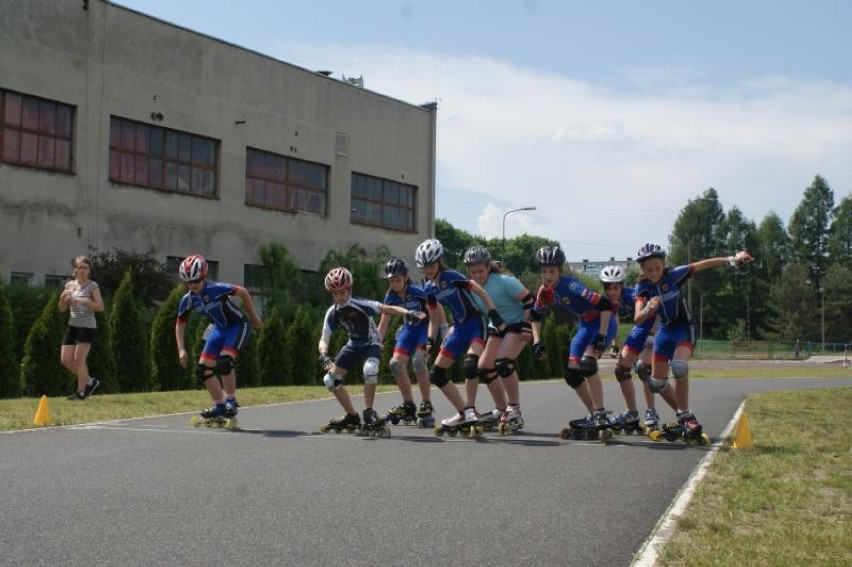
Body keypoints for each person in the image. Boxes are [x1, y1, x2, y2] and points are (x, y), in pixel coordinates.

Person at [633, 242, 753, 443]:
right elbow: (638, 318)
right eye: (649, 269)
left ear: (664, 264)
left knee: (679, 367)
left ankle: (685, 414)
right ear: (643, 270)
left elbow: (703, 264)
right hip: (665, 331)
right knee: (656, 384)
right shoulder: (642, 287)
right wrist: (648, 309)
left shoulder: (674, 275)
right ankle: (683, 416)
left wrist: (733, 259)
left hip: (684, 328)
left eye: (657, 268)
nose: (654, 272)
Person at [318, 266, 425, 435]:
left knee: (370, 370)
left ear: (349, 289)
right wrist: (324, 355)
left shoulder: (360, 304)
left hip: (371, 342)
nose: (339, 297)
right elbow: (324, 337)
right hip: (353, 344)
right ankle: (352, 416)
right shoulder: (332, 312)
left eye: (342, 292)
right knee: (330, 380)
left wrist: (407, 312)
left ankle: (368, 413)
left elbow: (386, 308)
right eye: (335, 293)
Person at [415, 238, 505, 437]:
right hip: (459, 328)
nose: (428, 270)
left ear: (439, 261)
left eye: (431, 265)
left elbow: (480, 291)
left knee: (470, 365)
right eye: (423, 267)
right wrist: (430, 341)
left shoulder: (453, 276)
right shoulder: (429, 288)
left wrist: (494, 314)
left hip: (475, 324)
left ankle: (471, 409)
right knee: (436, 374)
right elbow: (433, 319)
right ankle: (463, 412)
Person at [529, 246, 616, 441]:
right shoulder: (544, 291)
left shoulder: (570, 285)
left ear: (560, 270)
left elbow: (604, 304)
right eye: (544, 271)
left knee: (587, 364)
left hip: (602, 322)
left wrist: (602, 336)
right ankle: (594, 414)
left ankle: (600, 413)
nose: (548, 275)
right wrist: (536, 341)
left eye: (552, 271)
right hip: (584, 324)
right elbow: (535, 315)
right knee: (571, 374)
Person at [175, 254, 262, 426]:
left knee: (224, 362)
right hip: (219, 329)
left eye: (196, 281)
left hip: (237, 325)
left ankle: (231, 401)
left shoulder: (216, 288)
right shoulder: (188, 300)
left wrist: (253, 317)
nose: (193, 286)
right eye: (189, 283)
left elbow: (243, 292)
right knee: (202, 369)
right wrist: (181, 349)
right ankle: (219, 406)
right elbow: (180, 325)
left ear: (204, 277)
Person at [462, 245, 535, 434]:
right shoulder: (470, 288)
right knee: (484, 369)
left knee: (503, 362)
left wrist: (528, 326)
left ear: (488, 267)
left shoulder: (504, 281)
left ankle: (514, 409)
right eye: (473, 271)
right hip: (498, 328)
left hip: (518, 324)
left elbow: (530, 300)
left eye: (481, 270)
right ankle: (501, 409)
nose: (477, 275)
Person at [598, 265, 659, 433]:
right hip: (640, 328)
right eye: (608, 288)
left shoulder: (634, 295)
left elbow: (658, 311)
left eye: (616, 287)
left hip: (655, 324)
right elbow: (613, 322)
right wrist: (614, 345)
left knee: (643, 368)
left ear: (622, 286)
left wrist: (652, 335)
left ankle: (651, 412)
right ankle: (632, 413)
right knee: (621, 370)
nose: (612, 292)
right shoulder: (607, 301)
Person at [376, 257, 435, 427]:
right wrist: (378, 343)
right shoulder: (390, 297)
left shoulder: (418, 291)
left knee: (418, 362)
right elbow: (384, 323)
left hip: (423, 330)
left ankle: (426, 404)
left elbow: (433, 315)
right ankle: (409, 405)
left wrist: (431, 339)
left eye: (398, 280)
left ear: (405, 277)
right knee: (395, 364)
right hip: (409, 331)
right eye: (391, 281)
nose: (394, 284)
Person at [59, 255, 105, 400]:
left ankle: (81, 392)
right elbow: (61, 309)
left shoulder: (93, 286)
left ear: (89, 270)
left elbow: (100, 307)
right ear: (75, 270)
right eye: (80, 267)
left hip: (87, 326)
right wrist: (62, 299)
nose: (82, 270)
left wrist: (85, 301)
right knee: (66, 360)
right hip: (72, 325)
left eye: (85, 268)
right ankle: (90, 381)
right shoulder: (69, 286)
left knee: (79, 360)